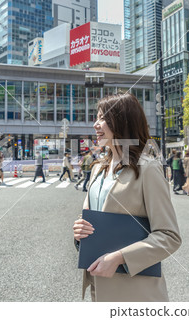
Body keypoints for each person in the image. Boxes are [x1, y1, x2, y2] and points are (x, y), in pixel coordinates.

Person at [72, 93, 181, 302]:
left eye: (102, 118)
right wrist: (79, 233)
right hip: (98, 285)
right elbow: (94, 217)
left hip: (135, 291)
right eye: (97, 117)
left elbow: (169, 236)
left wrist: (120, 257)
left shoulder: (147, 168)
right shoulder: (99, 169)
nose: (95, 124)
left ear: (122, 122)